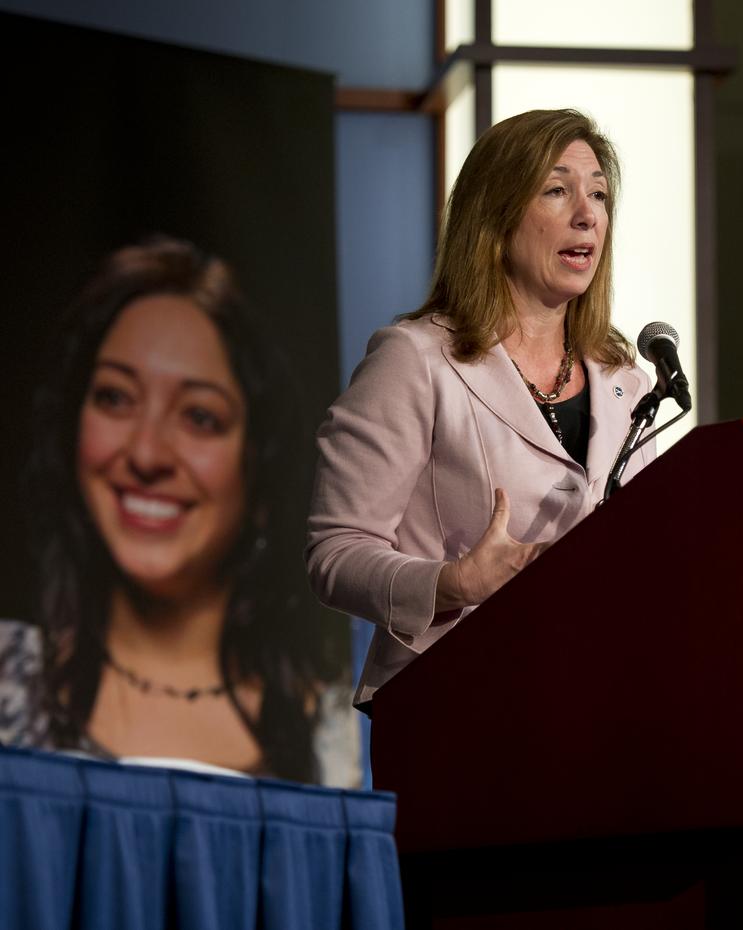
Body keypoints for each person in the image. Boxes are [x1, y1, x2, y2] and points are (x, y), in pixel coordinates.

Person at [307, 109, 656, 707]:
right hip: (455, 703)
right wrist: (451, 582)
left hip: (599, 704)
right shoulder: (415, 359)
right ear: (494, 216)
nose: (587, 213)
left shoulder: (629, 381)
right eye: (556, 190)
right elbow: (334, 552)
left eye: (598, 193)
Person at [0, 237, 358, 785]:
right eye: (115, 398)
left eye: (199, 417)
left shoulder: (343, 739)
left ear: (259, 464)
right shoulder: (7, 680)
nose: (145, 454)